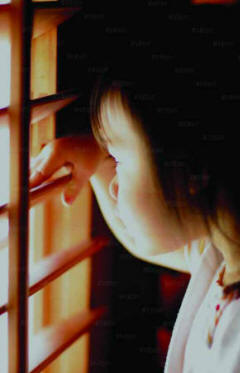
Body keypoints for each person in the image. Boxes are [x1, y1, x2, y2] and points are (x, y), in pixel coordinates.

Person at [30, 17, 240, 372]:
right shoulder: (221, 254)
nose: (115, 182)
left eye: (120, 160)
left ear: (190, 168)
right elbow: (140, 237)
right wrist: (96, 165)